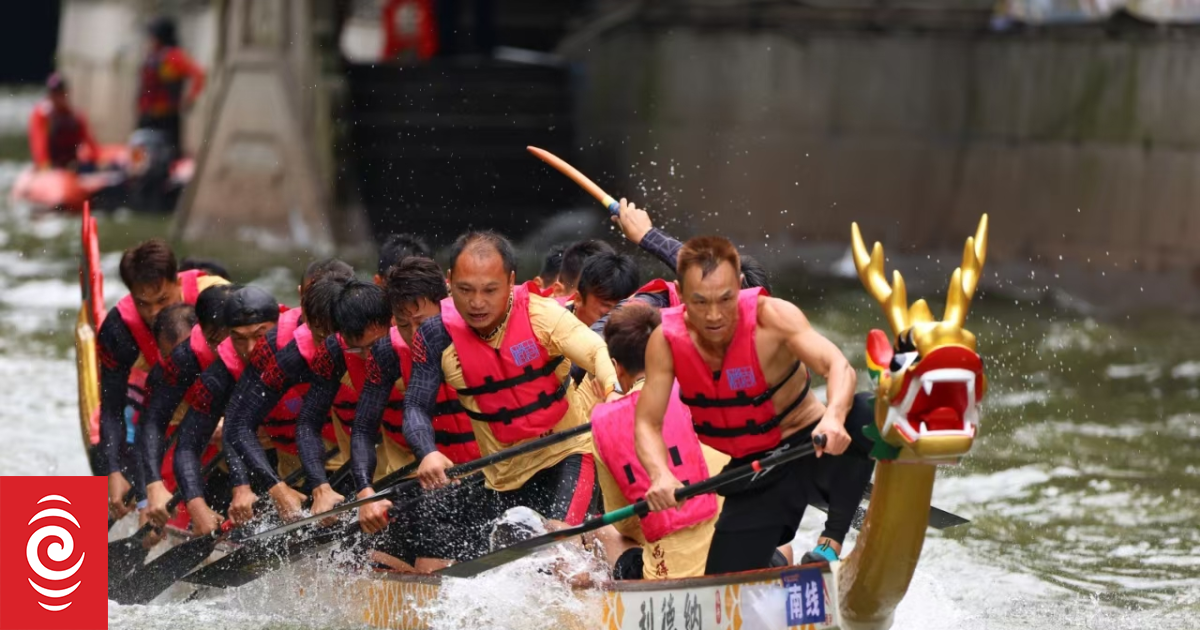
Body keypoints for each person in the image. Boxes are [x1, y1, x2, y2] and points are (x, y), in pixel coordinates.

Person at [636, 236, 875, 575]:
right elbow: (647, 422)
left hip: (815, 447)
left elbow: (839, 366)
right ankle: (777, 566)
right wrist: (660, 474)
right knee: (724, 585)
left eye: (725, 299)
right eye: (700, 302)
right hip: (757, 468)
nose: (714, 315)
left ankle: (831, 542)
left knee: (867, 410)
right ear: (680, 293)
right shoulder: (665, 341)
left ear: (739, 285)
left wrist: (834, 418)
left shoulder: (774, 317)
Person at [404, 231, 618, 560]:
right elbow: (416, 406)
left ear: (510, 281)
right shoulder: (435, 335)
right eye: (465, 290)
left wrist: (613, 391)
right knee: (509, 566)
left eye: (490, 290)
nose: (477, 303)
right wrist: (427, 452)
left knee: (562, 550)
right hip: (501, 477)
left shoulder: (542, 314)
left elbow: (596, 351)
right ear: (449, 282)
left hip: (566, 456)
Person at [353, 257, 480, 571]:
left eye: (422, 323)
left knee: (429, 565)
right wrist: (365, 491)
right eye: (403, 324)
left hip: (494, 475)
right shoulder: (387, 353)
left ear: (445, 303)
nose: (414, 335)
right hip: (438, 481)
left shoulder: (481, 328)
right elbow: (363, 429)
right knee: (375, 561)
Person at [591, 302, 722, 580]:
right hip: (744, 554)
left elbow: (625, 523)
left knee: (600, 529)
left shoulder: (603, 422)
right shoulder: (705, 385)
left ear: (616, 367)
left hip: (668, 578)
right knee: (783, 545)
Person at [98, 239, 227, 520]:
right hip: (167, 410)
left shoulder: (218, 299)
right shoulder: (117, 330)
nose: (155, 313)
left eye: (163, 300)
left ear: (177, 281)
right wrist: (113, 471)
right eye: (143, 303)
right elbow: (111, 409)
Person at [223, 269, 357, 521]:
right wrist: (260, 487)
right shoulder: (284, 353)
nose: (249, 348)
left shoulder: (382, 338)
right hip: (305, 467)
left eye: (258, 334)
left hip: (375, 461)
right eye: (320, 336)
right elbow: (238, 424)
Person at [173, 286, 286, 534]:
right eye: (239, 338)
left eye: (260, 335)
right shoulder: (215, 372)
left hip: (310, 464)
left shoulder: (306, 351)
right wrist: (196, 505)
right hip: (247, 467)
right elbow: (187, 446)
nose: (251, 348)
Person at [287, 280, 399, 519]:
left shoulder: (421, 338)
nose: (369, 357)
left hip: (445, 464)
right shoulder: (333, 350)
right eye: (359, 349)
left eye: (374, 345)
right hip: (379, 472)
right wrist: (320, 486)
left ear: (392, 320)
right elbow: (308, 423)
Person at [138, 284, 237, 529]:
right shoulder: (172, 371)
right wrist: (147, 495)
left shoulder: (265, 351)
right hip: (194, 454)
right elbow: (153, 431)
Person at [137, 16, 206, 157]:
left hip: (166, 118)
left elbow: (199, 74)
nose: (150, 39)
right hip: (146, 116)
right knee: (140, 152)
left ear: (160, 36)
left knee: (169, 154)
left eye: (152, 35)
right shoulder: (152, 55)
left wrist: (190, 98)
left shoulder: (174, 56)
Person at [28, 73, 100, 171]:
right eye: (55, 93)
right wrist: (44, 165)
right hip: (50, 167)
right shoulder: (43, 116)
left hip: (72, 166)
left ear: (66, 93)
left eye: (61, 93)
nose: (58, 97)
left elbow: (91, 145)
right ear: (50, 95)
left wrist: (96, 160)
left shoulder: (76, 117)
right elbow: (39, 144)